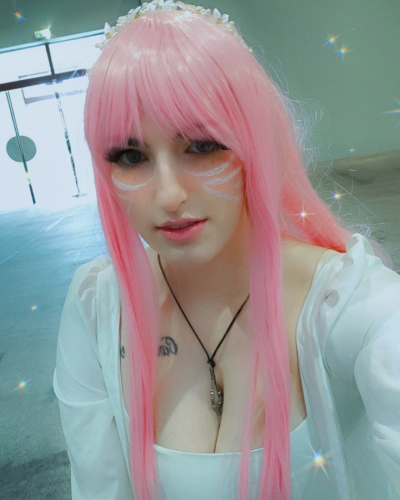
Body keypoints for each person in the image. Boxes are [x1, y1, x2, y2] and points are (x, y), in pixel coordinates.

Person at [53, 1, 400, 499]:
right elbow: (98, 487)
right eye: (131, 156)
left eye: (201, 146)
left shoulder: (348, 305)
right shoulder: (98, 307)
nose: (169, 195)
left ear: (253, 141)